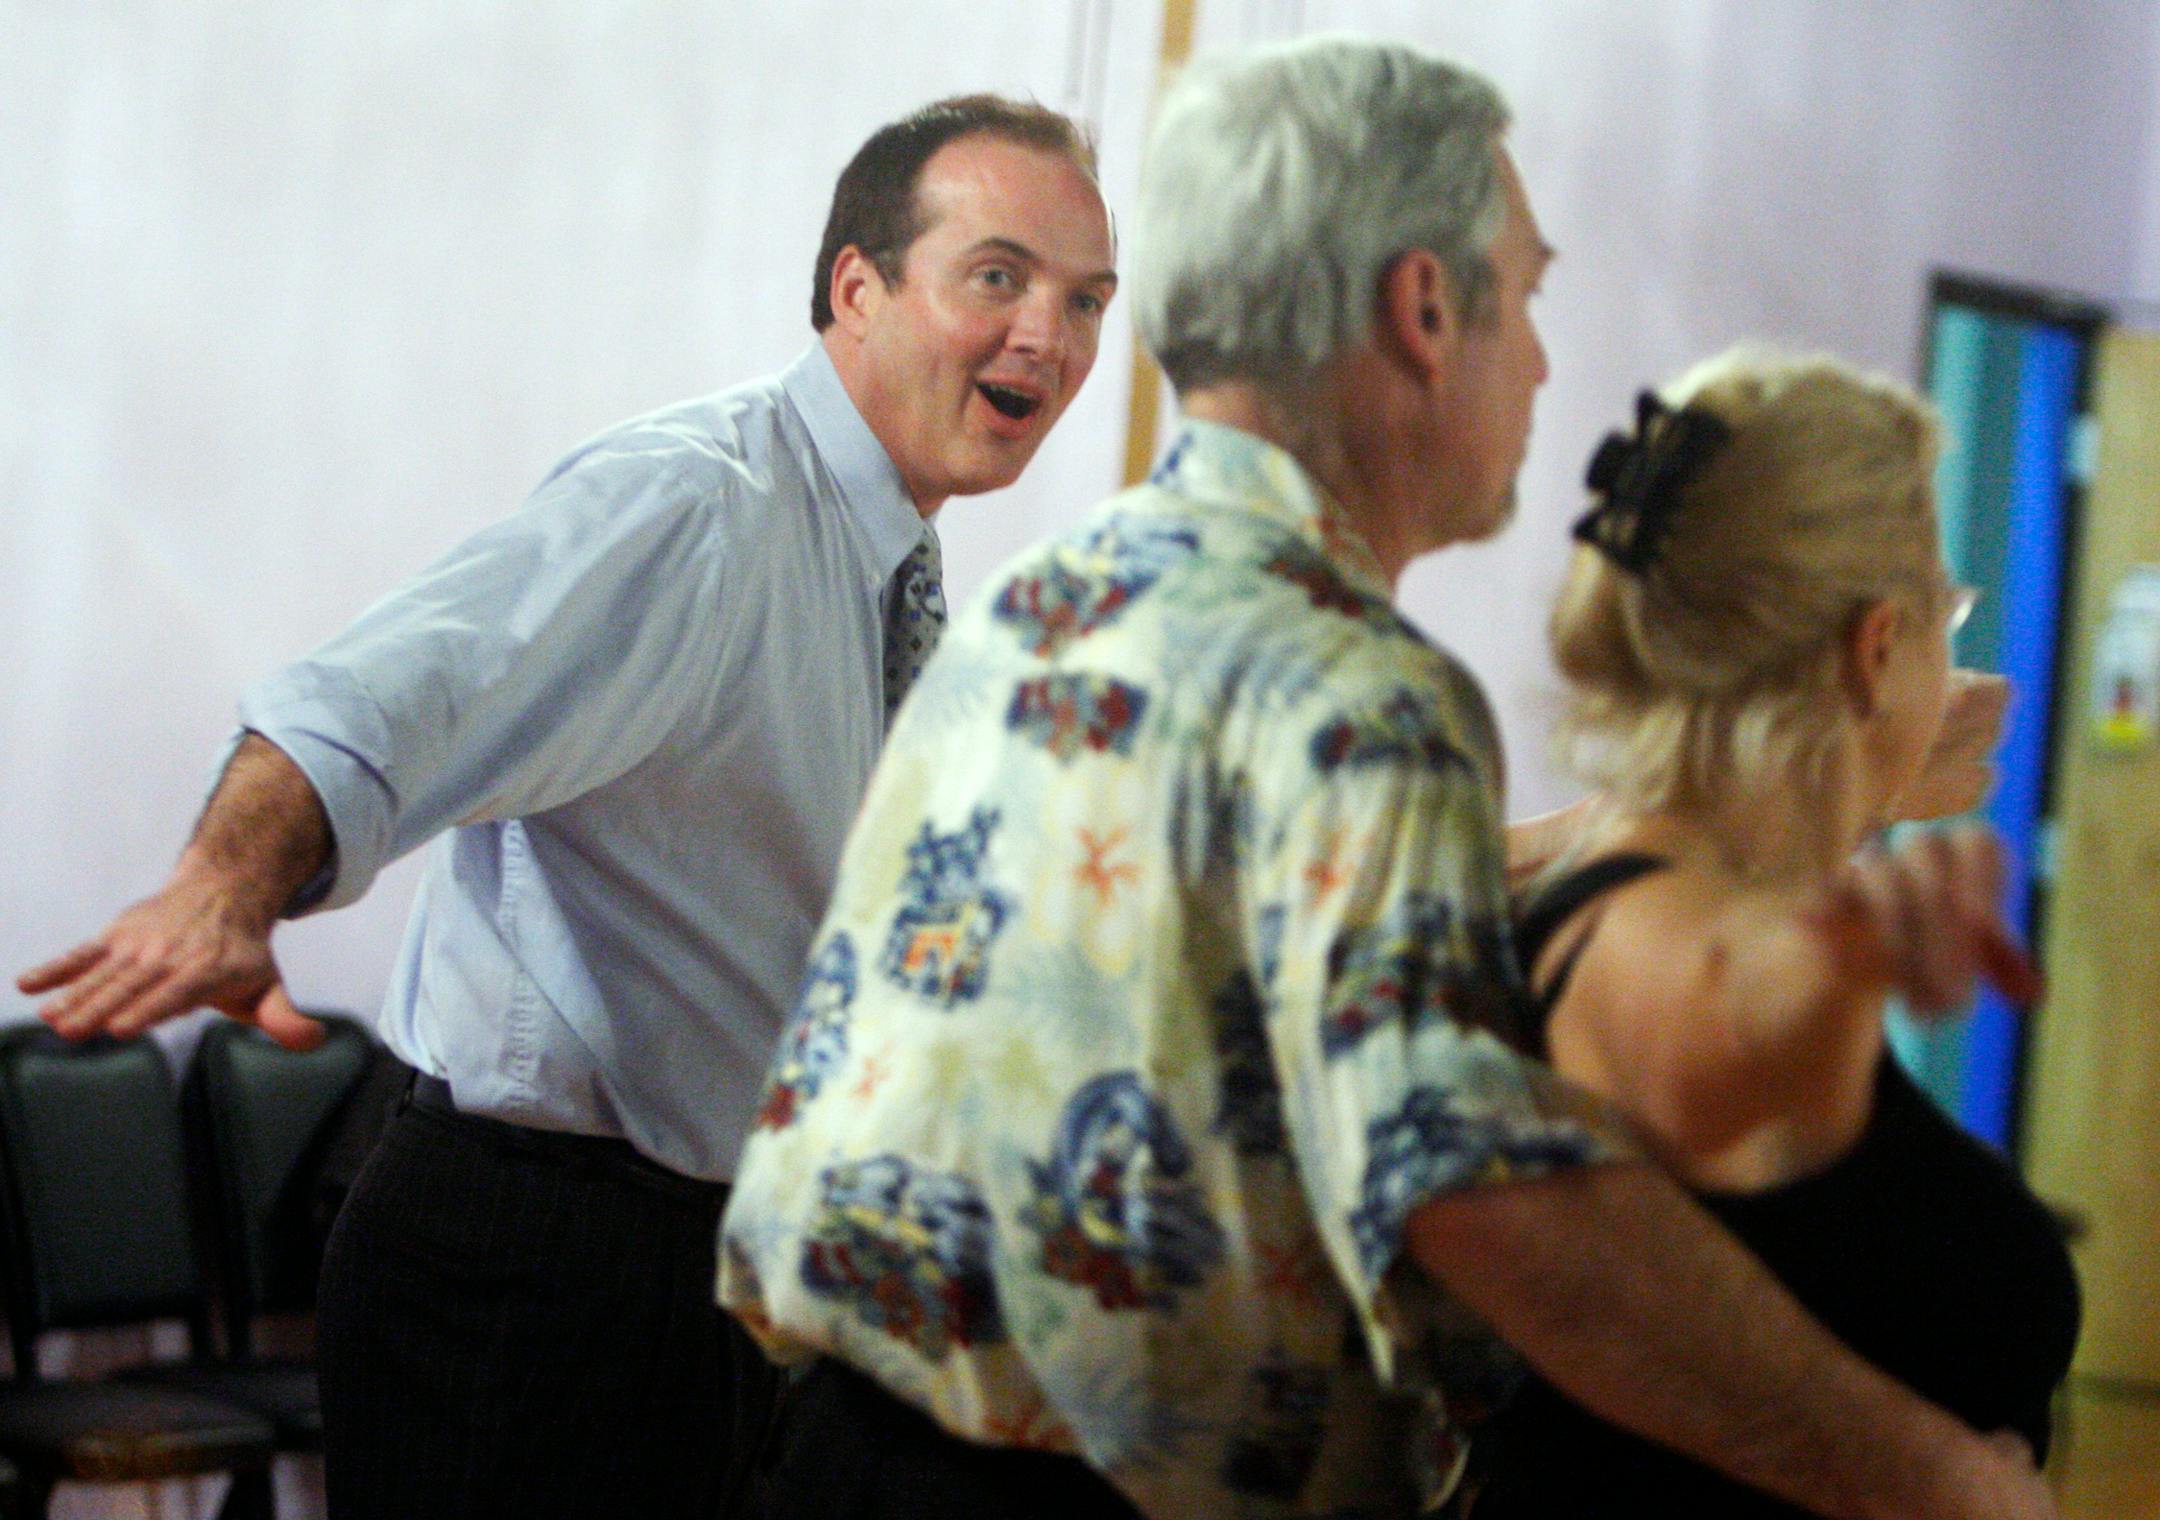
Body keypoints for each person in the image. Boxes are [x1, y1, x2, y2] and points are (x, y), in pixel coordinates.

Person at [718, 37, 2058, 1520]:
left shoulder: (1069, 594)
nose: (1545, 360)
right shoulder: (1355, 689)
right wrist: (1924, 1471)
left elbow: (1253, 923)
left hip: (845, 1460)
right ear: (1427, 309)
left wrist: (1713, 814)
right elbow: (1496, 1208)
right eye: (1529, 293)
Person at [16, 94, 1118, 1519]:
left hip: (701, 1272)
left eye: (1086, 299)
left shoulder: (879, 560)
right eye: (1000, 277)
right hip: (535, 1270)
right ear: (859, 286)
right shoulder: (697, 510)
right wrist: (220, 891)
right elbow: (368, 704)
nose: (1052, 335)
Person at [1469, 350, 2080, 1516]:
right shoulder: (1657, 933)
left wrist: (1850, 799)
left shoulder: (1634, 870)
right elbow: (1713, 1029)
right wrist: (1840, 961)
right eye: (1946, 612)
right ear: (1876, 645)